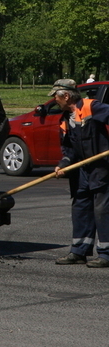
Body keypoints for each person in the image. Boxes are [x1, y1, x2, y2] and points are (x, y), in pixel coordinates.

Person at [50, 79, 109, 268]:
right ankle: (79, 251)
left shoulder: (93, 107)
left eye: (55, 97)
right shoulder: (65, 120)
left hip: (101, 168)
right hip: (81, 171)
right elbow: (69, 151)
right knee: (80, 208)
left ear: (66, 96)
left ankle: (106, 254)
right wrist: (63, 165)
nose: (54, 100)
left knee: (102, 210)